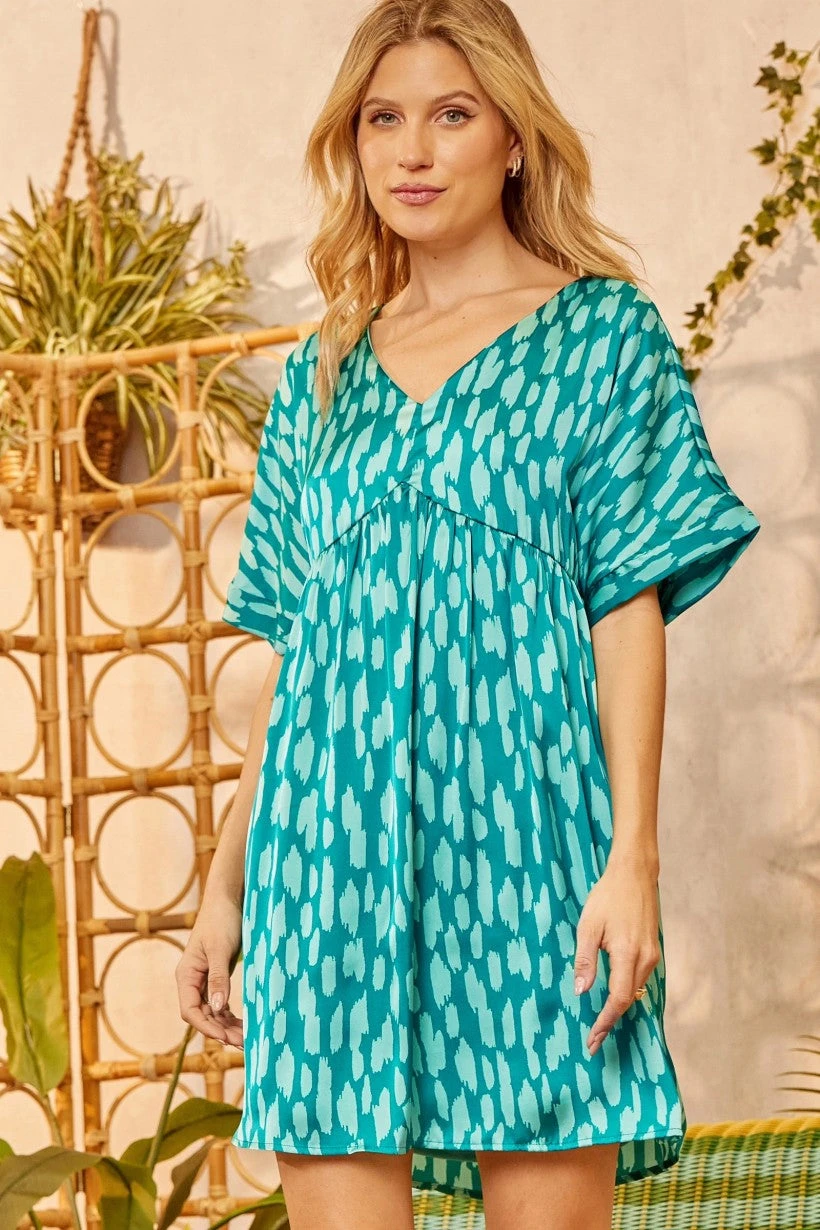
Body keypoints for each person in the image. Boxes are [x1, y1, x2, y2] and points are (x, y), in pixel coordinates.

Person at [175, 2, 761, 1227]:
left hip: (529, 853)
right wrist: (225, 888)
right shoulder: (322, 375)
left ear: (513, 138)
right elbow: (299, 662)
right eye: (381, 120)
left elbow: (627, 607)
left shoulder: (603, 336)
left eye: (450, 115)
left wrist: (632, 861)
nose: (411, 151)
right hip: (326, 863)